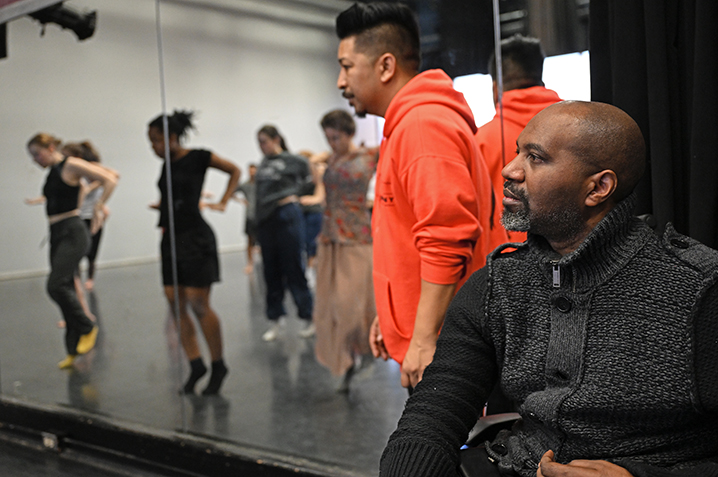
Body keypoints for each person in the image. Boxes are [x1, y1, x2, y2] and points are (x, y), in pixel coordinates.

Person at [379, 101, 718, 477]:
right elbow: (432, 417)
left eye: (536, 158)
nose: (509, 170)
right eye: (517, 152)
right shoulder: (497, 285)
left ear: (599, 187)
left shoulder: (698, 287)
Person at [335, 2, 507, 390]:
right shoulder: (406, 124)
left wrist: (425, 338)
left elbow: (447, 238)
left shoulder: (422, 125)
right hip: (434, 332)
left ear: (385, 66)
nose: (340, 82)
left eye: (346, 66)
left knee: (441, 450)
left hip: (445, 342)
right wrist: (395, 313)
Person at [148, 110, 240, 395]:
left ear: (172, 137)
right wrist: (162, 206)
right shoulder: (166, 166)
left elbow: (234, 170)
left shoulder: (199, 156)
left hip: (196, 238)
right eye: (150, 142)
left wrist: (224, 200)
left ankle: (218, 363)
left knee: (198, 304)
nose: (153, 147)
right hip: (170, 238)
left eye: (156, 141)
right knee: (175, 303)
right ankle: (195, 363)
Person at [26, 133, 118, 369]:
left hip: (73, 231)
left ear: (51, 147)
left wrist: (99, 206)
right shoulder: (53, 172)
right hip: (57, 233)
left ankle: (87, 327)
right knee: (64, 287)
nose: (35, 160)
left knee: (55, 285)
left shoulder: (71, 164)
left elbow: (110, 178)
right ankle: (72, 350)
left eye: (37, 154)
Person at [303, 109, 377, 392]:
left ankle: (363, 351)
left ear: (348, 133)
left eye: (336, 137)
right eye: (328, 138)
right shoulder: (331, 159)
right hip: (330, 238)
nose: (331, 142)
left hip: (356, 238)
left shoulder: (368, 156)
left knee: (352, 303)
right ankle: (347, 360)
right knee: (330, 304)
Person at [475, 34, 562, 243]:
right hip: (572, 257)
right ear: (540, 79)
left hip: (504, 261)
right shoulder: (576, 129)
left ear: (495, 88)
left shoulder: (481, 140)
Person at [254, 125, 314, 342]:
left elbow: (310, 182)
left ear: (276, 139)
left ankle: (308, 316)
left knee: (294, 269)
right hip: (267, 221)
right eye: (259, 142)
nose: (262, 146)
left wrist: (295, 198)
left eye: (264, 141)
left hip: (287, 217)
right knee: (270, 272)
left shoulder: (293, 160)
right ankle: (275, 320)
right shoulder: (262, 165)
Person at [63, 141, 113, 291]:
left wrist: (100, 205)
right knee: (77, 252)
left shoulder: (96, 172)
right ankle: (77, 277)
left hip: (93, 218)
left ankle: (90, 279)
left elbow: (113, 176)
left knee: (92, 252)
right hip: (80, 216)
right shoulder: (78, 174)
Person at [234, 163, 259, 274]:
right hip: (250, 216)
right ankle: (250, 263)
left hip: (261, 216)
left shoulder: (262, 184)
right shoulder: (245, 185)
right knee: (250, 240)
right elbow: (232, 192)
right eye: (250, 171)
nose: (252, 173)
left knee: (265, 240)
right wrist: (241, 201)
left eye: (254, 170)